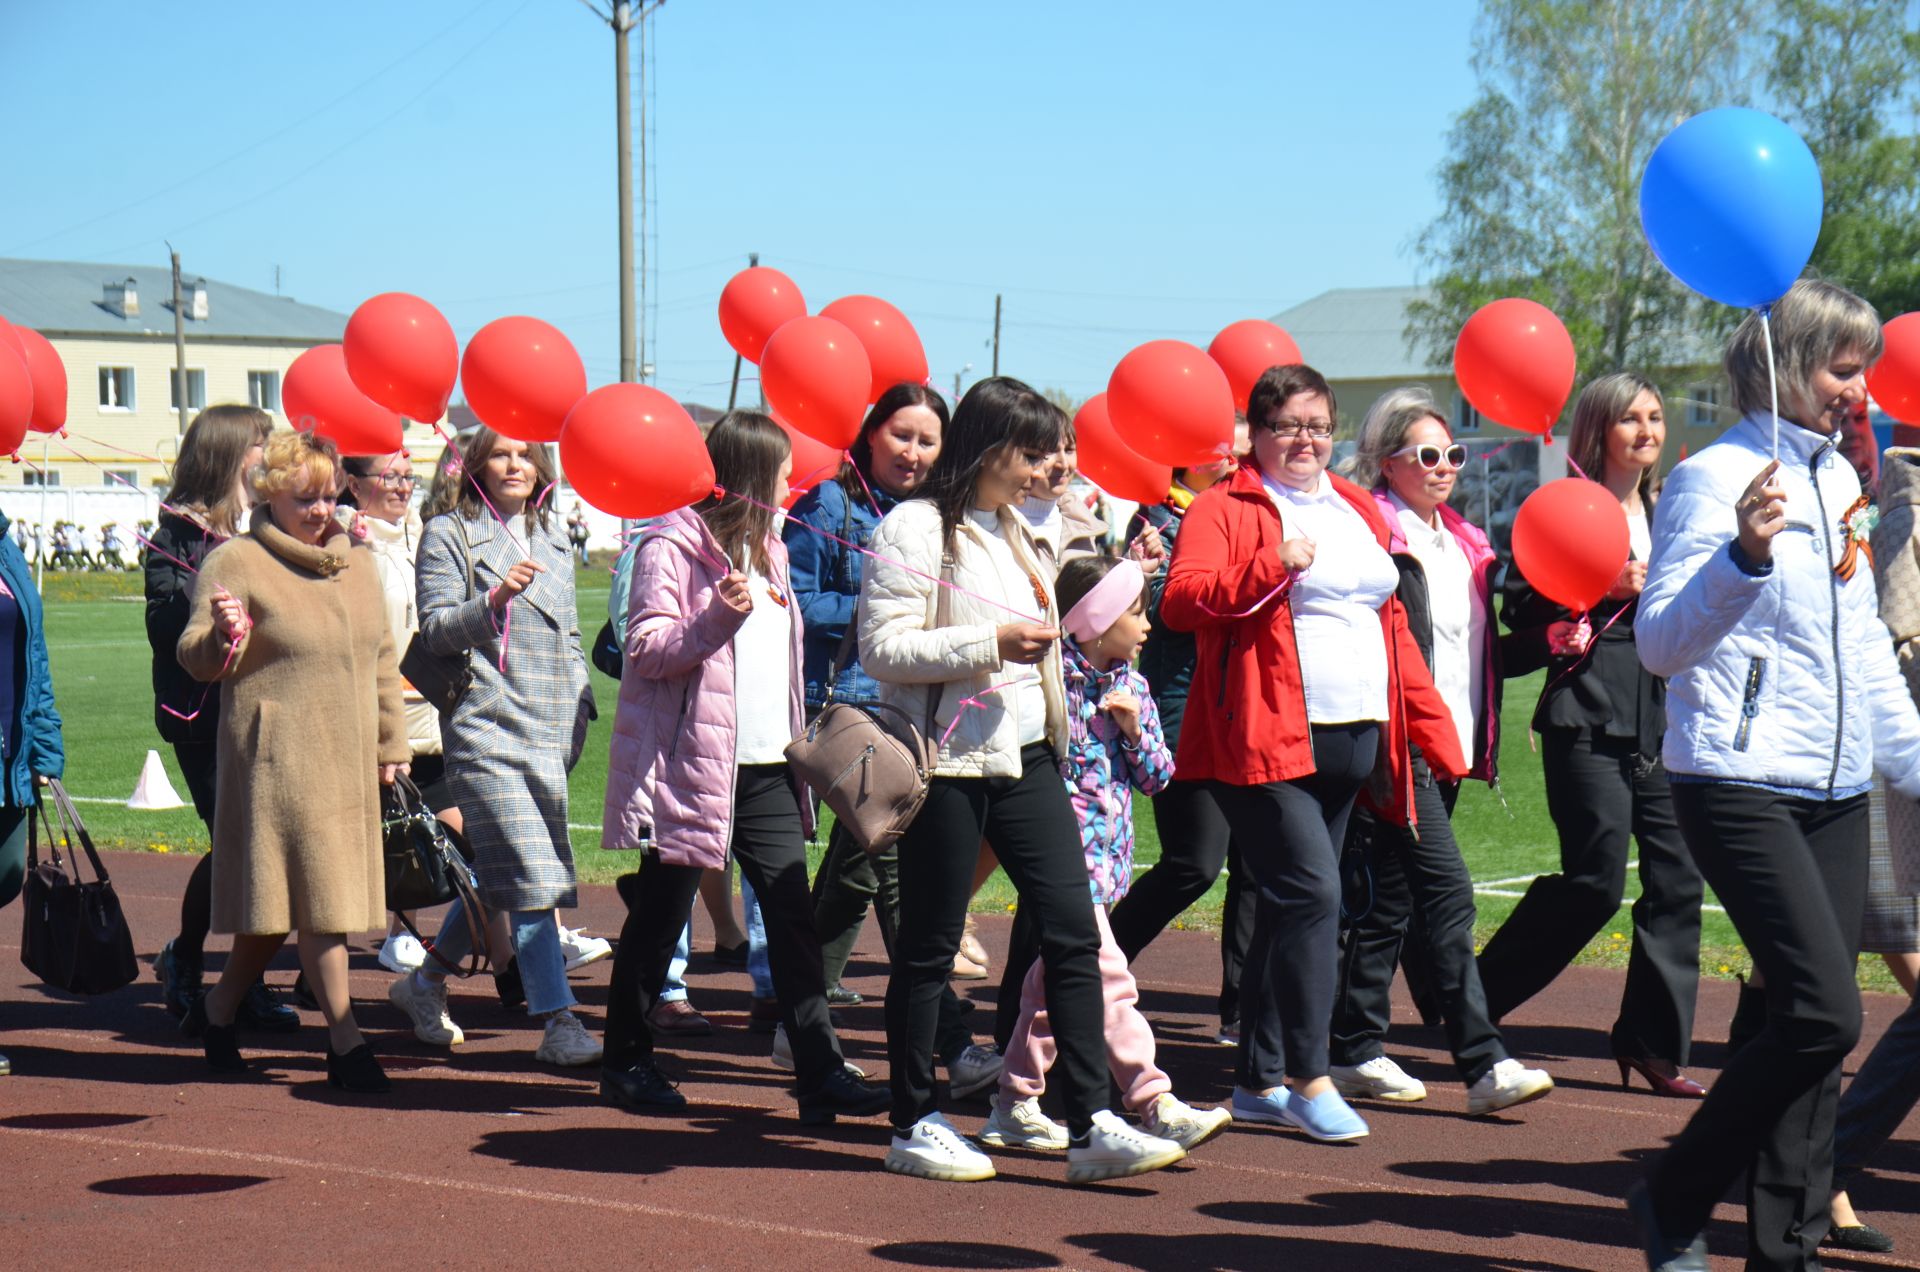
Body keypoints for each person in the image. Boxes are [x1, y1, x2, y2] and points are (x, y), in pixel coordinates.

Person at [1628, 279, 1920, 1271]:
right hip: (1735, 778)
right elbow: (1661, 644)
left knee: (1814, 1038)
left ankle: (1782, 1249)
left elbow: (1866, 646)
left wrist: (1914, 766)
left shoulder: (1840, 481)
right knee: (1821, 1012)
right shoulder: (1713, 480)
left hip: (1835, 788)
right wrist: (1741, 557)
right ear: (1787, 364)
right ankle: (1671, 1198)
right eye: (1843, 367)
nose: (1858, 387)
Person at [860, 375, 1185, 1184]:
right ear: (991, 448)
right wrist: (990, 643)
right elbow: (883, 651)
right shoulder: (913, 527)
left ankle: (1092, 1124)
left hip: (1031, 755)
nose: (1049, 468)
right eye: (1033, 452)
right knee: (930, 946)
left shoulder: (1018, 530)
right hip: (950, 762)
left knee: (1074, 932)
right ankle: (913, 1120)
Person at [1160, 363, 1467, 1144]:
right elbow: (1181, 598)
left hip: (1353, 741)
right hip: (1262, 741)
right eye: (1289, 425)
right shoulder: (1227, 506)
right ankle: (1307, 1075)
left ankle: (1257, 1079)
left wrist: (1430, 728)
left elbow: (1392, 626)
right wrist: (1271, 564)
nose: (1306, 440)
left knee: (1286, 912)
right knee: (1312, 899)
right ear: (1257, 434)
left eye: (1320, 425)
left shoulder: (1356, 505)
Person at [598, 411, 890, 1124]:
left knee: (791, 918)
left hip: (765, 765)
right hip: (693, 764)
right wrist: (713, 622)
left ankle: (818, 1068)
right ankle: (626, 1061)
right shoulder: (669, 545)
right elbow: (645, 650)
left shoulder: (774, 549)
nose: (797, 482)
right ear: (752, 475)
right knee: (661, 918)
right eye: (786, 471)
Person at [1476, 374, 1708, 1098]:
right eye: (1630, 418)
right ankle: (1470, 1003)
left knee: (1678, 881)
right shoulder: (1566, 507)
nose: (1647, 429)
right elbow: (1519, 605)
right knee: (1595, 883)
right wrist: (1593, 588)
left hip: (1666, 716)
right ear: (1598, 431)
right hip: (1587, 708)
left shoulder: (1675, 510)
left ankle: (1651, 1043)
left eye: (1656, 415)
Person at [1328, 387, 1553, 1113]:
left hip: (1455, 743)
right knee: (1449, 894)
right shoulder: (1373, 540)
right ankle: (1483, 1062)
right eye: (1427, 454)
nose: (1445, 465)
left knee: (1390, 900)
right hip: (1402, 742)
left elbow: (1475, 653)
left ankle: (1354, 1046)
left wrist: (1547, 643)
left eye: (1453, 453)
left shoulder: (1464, 543)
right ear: (1385, 461)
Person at [175, 430, 408, 1092]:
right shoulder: (236, 564)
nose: (320, 511)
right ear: (270, 493)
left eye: (330, 496)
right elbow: (195, 657)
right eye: (305, 497)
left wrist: (392, 743)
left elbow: (382, 661)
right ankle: (346, 1041)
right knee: (320, 906)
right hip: (277, 762)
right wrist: (223, 635)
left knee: (279, 912)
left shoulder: (358, 564)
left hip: (348, 760)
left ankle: (217, 1011)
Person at [786, 384, 998, 1092]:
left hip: (929, 721)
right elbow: (798, 600)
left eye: (927, 440)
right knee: (905, 886)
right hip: (860, 722)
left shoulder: (945, 517)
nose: (913, 451)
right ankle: (956, 1046)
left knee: (853, 878)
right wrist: (890, 596)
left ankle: (799, 1023)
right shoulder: (827, 507)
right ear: (869, 435)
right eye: (901, 435)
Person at [984, 555, 1232, 1153]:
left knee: (1053, 987)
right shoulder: (1047, 683)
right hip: (1062, 861)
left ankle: (1012, 1102)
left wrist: (1133, 729)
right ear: (1096, 619)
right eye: (1135, 611)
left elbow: (1158, 778)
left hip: (1110, 863)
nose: (1146, 625)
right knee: (1110, 979)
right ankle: (1154, 1100)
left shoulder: (1133, 687)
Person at [391, 426, 602, 1069]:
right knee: (533, 872)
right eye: (501, 455)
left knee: (503, 872)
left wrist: (582, 703)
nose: (516, 465)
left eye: (526, 455)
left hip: (551, 726)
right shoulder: (449, 533)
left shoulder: (552, 535)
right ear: (475, 467)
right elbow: (435, 630)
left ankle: (424, 984)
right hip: (484, 729)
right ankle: (557, 1018)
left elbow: (567, 632)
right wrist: (496, 598)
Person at [145, 405, 296, 1032]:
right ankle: (186, 962)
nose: (271, 454)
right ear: (232, 453)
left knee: (261, 847)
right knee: (233, 842)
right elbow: (164, 631)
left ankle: (243, 978)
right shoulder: (175, 538)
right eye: (262, 443)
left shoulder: (262, 528)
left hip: (264, 707)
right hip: (202, 716)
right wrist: (209, 591)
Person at [1108, 418, 1256, 1044]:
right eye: (1223, 447)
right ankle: (1088, 972)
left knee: (1256, 865)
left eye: (1239, 447)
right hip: (1181, 714)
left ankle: (1243, 1009)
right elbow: (1164, 609)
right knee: (1193, 863)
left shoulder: (1248, 512)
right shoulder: (1157, 519)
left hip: (1249, 711)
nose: (1234, 456)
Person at [339, 450, 449, 976]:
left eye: (409, 477)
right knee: (383, 833)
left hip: (430, 706)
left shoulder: (424, 537)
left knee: (442, 829)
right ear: (354, 484)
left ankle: (511, 957)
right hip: (377, 711)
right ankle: (394, 935)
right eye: (390, 477)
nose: (403, 488)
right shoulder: (345, 542)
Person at [0, 504, 66, 1077]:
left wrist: (44, 746)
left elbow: (34, 654)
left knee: (5, 873)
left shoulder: (6, 547)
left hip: (8, 755)